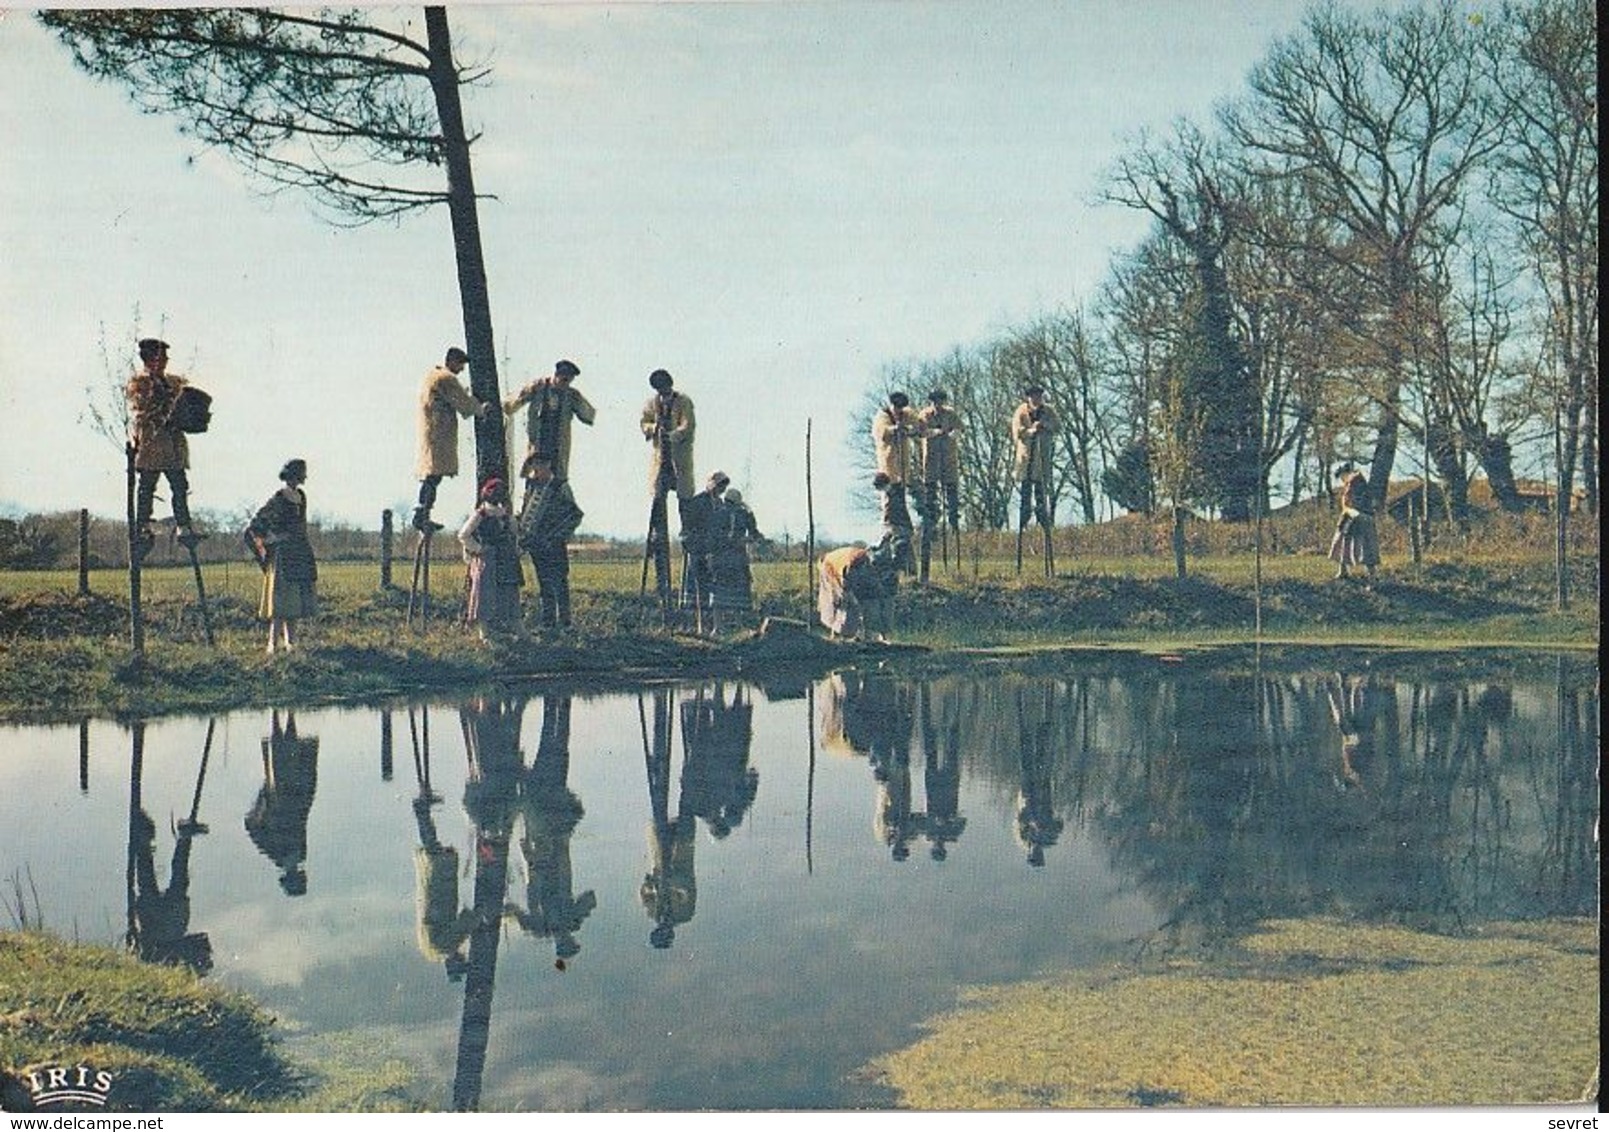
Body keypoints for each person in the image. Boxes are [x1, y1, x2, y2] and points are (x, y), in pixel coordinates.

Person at [126, 337, 202, 556]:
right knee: (147, 486)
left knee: (179, 485)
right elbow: (143, 410)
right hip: (153, 443)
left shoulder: (174, 382)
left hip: (173, 445)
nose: (165, 362)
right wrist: (166, 411)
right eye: (160, 358)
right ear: (150, 360)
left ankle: (184, 526)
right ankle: (143, 527)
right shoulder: (141, 383)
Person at [413, 346, 491, 532]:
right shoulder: (445, 378)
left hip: (432, 431)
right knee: (433, 475)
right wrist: (481, 409)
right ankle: (422, 514)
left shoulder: (431, 376)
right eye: (461, 364)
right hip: (439, 433)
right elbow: (463, 403)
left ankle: (423, 512)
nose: (462, 369)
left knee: (432, 475)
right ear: (452, 361)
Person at [244, 458, 317, 655]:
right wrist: (272, 538)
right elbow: (256, 525)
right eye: (295, 476)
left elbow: (301, 525)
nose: (297, 480)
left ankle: (290, 642)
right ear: (288, 476)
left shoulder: (301, 496)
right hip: (282, 555)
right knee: (280, 602)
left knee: (294, 601)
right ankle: (272, 644)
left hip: (298, 553)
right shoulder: (278, 498)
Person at [517, 457, 584, 631]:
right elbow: (526, 512)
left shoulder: (560, 487)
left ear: (547, 464)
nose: (535, 470)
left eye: (538, 465)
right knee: (544, 584)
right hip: (536, 545)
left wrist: (557, 535)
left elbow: (574, 515)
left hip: (554, 544)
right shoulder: (531, 487)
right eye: (533, 466)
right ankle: (548, 623)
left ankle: (565, 623)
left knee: (560, 582)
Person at [503, 358, 594, 480]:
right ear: (557, 375)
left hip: (558, 449)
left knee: (559, 482)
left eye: (569, 381)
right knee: (535, 481)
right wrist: (503, 408)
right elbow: (512, 404)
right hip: (538, 446)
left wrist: (579, 402)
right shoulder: (538, 387)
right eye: (564, 380)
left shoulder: (571, 395)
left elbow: (589, 415)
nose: (566, 384)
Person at [458, 476, 524, 639]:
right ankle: (484, 632)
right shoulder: (481, 514)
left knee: (509, 592)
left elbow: (515, 533)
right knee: (485, 594)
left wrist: (517, 549)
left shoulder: (506, 515)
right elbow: (464, 534)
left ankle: (514, 627)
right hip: (487, 560)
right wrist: (478, 549)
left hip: (506, 559)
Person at [817, 536, 903, 642]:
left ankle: (872, 637)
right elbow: (846, 588)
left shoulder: (881, 568)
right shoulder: (853, 565)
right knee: (843, 604)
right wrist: (854, 601)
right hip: (830, 568)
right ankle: (839, 637)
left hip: (856, 573)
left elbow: (880, 593)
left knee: (871, 602)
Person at [640, 368, 696, 514]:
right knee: (658, 497)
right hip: (661, 457)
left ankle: (687, 533)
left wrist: (672, 435)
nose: (662, 389)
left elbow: (687, 425)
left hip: (679, 457)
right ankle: (658, 535)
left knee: (684, 497)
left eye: (663, 385)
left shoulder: (683, 401)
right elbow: (645, 422)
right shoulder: (652, 403)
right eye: (658, 387)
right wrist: (653, 428)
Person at [678, 471, 729, 632]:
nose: (721, 488)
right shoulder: (698, 502)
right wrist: (693, 546)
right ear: (711, 484)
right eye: (719, 484)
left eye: (723, 486)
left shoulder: (721, 504)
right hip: (699, 551)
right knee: (698, 590)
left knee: (714, 591)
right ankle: (699, 626)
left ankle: (714, 626)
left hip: (715, 553)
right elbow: (688, 527)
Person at [708, 488, 764, 631]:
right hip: (729, 557)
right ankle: (725, 625)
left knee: (729, 590)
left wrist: (755, 538)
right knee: (729, 590)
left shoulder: (735, 514)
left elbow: (753, 532)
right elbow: (718, 536)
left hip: (727, 558)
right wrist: (745, 539)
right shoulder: (730, 514)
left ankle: (726, 626)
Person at [1011, 384, 1059, 535]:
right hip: (1026, 459)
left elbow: (1058, 426)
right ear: (1028, 397)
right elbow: (1016, 431)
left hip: (1042, 458)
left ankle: (1043, 522)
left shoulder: (1048, 411)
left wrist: (1044, 425)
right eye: (1033, 396)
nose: (1036, 399)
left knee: (1041, 492)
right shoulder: (1021, 411)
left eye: (1038, 396)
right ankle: (1023, 523)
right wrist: (1030, 431)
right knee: (1025, 494)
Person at [919, 388, 963, 539]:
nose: (937, 404)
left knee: (952, 491)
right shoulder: (925, 415)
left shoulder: (950, 414)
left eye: (940, 401)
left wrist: (952, 435)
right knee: (930, 494)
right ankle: (931, 525)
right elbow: (921, 431)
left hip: (948, 458)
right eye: (935, 401)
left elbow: (959, 428)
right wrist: (935, 432)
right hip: (931, 459)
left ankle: (954, 523)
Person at [1328, 462, 1380, 582]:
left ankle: (1372, 573)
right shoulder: (1354, 482)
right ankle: (1343, 571)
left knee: (1363, 545)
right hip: (1353, 515)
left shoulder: (1355, 481)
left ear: (1344, 473)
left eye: (1341, 477)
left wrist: (1351, 510)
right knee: (1343, 542)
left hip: (1358, 516)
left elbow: (1354, 501)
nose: (1341, 480)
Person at [873, 472, 917, 574]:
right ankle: (908, 572)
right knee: (900, 550)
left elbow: (901, 484)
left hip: (901, 526)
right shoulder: (889, 495)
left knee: (900, 549)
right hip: (896, 527)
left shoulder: (897, 491)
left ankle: (908, 572)